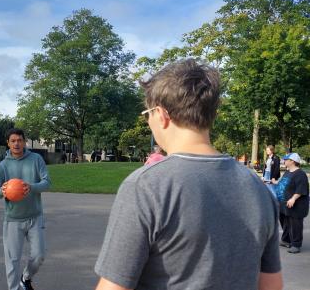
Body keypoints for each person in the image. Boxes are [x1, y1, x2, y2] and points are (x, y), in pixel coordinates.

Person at [94, 59, 282, 290]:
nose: (148, 122)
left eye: (147, 114)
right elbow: (272, 284)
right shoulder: (257, 187)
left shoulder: (145, 186)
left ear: (162, 115)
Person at [0, 128, 51, 290]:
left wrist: (31, 187)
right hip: (13, 220)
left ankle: (25, 278)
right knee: (12, 261)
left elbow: (47, 183)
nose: (16, 143)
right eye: (13, 141)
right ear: (8, 143)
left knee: (39, 256)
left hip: (35, 217)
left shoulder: (36, 159)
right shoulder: (2, 166)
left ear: (24, 142)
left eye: (19, 140)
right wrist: (2, 191)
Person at [271, 153, 309, 254]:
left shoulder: (300, 174)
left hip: (296, 205)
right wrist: (275, 182)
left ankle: (296, 244)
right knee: (285, 222)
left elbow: (301, 189)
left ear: (292, 161)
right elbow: (283, 183)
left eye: (286, 159)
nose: (284, 161)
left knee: (295, 224)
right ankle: (286, 240)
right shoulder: (288, 172)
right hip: (283, 204)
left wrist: (293, 199)